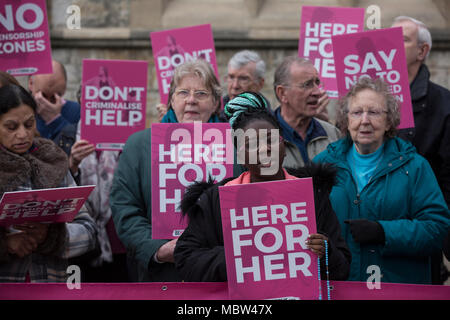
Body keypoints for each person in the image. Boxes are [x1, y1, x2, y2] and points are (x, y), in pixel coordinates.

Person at [174, 92, 351, 282]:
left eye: (271, 140)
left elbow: (342, 268)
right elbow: (186, 259)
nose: (264, 149)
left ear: (283, 145)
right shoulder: (216, 200)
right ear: (241, 156)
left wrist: (326, 252)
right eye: (252, 144)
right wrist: (236, 259)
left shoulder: (312, 194)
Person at [314, 77, 449, 284]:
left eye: (374, 112)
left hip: (398, 287)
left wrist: (383, 232)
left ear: (389, 121)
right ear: (346, 119)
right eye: (357, 112)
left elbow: (437, 228)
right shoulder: (322, 165)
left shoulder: (414, 167)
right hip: (341, 287)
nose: (365, 120)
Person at [110, 59, 223, 282]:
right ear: (172, 100)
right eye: (183, 92)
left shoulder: (236, 146)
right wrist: (157, 250)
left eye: (201, 93)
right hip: (160, 276)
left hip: (218, 273)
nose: (191, 100)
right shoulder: (139, 145)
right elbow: (124, 206)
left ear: (216, 103)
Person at [0, 84, 97, 282]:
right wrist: (5, 244)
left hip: (50, 284)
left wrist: (51, 237)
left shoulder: (51, 160)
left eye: (29, 124)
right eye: (11, 127)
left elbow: (89, 231)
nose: (22, 134)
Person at [392, 16, 450, 282]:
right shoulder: (365, 100)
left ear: (422, 51)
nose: (391, 44)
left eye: (402, 39)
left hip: (422, 234)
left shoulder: (443, 103)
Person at [273, 56, 340, 169]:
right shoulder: (262, 139)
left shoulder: (333, 134)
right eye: (307, 85)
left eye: (317, 83)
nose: (317, 92)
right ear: (282, 93)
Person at [28, 60, 80, 155]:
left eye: (55, 96)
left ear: (64, 87)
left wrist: (55, 120)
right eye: (43, 96)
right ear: (31, 84)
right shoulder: (20, 112)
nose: (48, 103)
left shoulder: (77, 111)